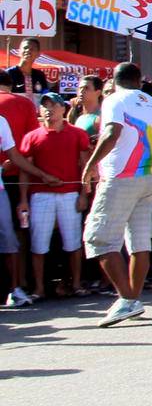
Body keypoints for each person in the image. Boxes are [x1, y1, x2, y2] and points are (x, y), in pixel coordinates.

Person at [83, 61, 152, 326]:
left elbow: (111, 133)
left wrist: (90, 164)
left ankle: (128, 300)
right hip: (145, 179)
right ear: (139, 80)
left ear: (115, 80)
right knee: (139, 241)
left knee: (98, 238)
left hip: (119, 178)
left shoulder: (114, 100)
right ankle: (132, 299)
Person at [18, 92, 90, 298]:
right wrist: (23, 199)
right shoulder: (31, 136)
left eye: (54, 106)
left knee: (73, 242)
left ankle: (76, 284)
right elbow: (25, 169)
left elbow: (86, 165)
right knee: (38, 243)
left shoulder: (77, 133)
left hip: (69, 194)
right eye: (45, 106)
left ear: (63, 109)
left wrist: (84, 193)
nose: (49, 110)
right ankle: (39, 288)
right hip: (41, 195)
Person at [0, 97, 60, 306]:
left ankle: (15, 290)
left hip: (0, 191)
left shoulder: (1, 122)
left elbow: (15, 157)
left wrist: (42, 175)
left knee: (9, 238)